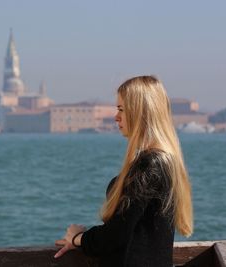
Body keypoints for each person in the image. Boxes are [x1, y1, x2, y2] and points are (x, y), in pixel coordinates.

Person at [54, 75, 193, 267]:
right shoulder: (165, 160)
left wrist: (77, 237)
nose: (116, 116)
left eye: (121, 109)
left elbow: (115, 235)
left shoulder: (149, 164)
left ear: (141, 112)